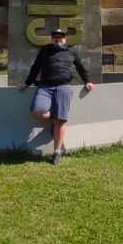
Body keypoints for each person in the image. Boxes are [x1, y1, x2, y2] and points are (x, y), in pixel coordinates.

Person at [18, 29, 94, 165]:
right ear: (51, 39)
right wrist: (27, 83)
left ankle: (57, 152)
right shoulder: (45, 51)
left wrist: (87, 81)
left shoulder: (71, 52)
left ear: (65, 39)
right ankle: (55, 121)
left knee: (61, 120)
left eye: (61, 38)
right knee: (37, 111)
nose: (58, 40)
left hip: (64, 86)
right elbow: (35, 67)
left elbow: (80, 68)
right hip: (45, 86)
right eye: (55, 38)